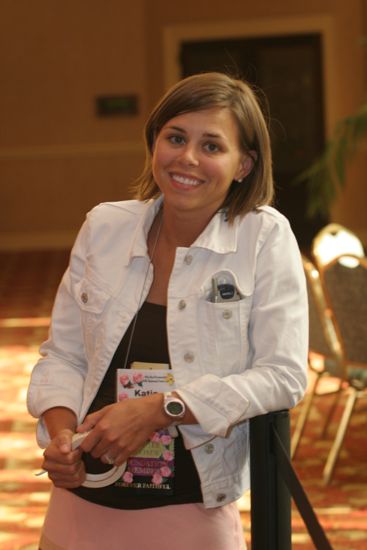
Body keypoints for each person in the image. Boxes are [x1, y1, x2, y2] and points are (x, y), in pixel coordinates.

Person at [27, 72, 308, 550]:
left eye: (213, 146)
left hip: (190, 512)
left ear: (244, 165)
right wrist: (60, 435)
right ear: (154, 143)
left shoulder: (263, 237)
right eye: (175, 138)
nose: (188, 158)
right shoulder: (104, 227)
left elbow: (283, 375)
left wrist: (162, 409)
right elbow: (63, 356)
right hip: (80, 505)